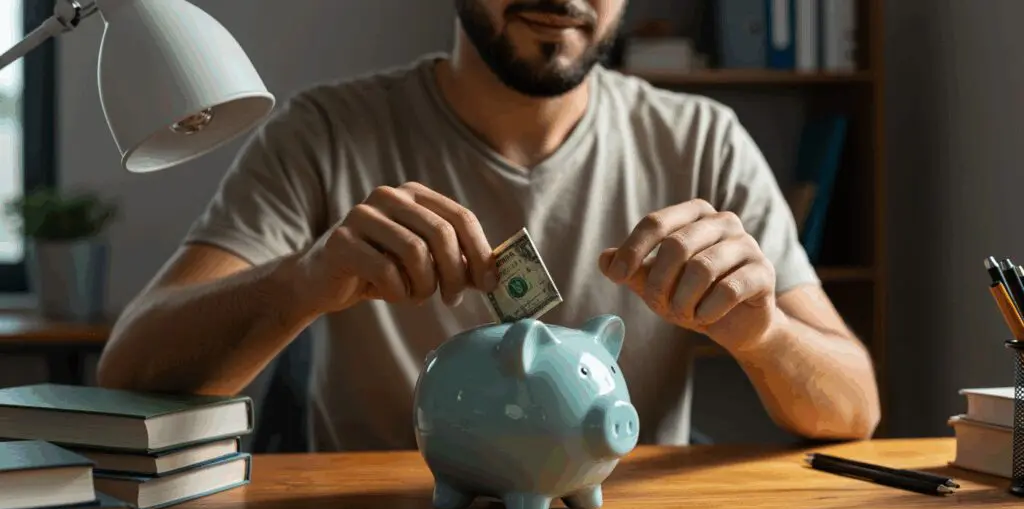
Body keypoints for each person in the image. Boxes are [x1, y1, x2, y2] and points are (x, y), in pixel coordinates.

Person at [95, 0, 880, 450]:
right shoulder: (325, 133)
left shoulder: (703, 139)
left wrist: (764, 334)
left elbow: (855, 408)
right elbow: (129, 371)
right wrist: (304, 281)